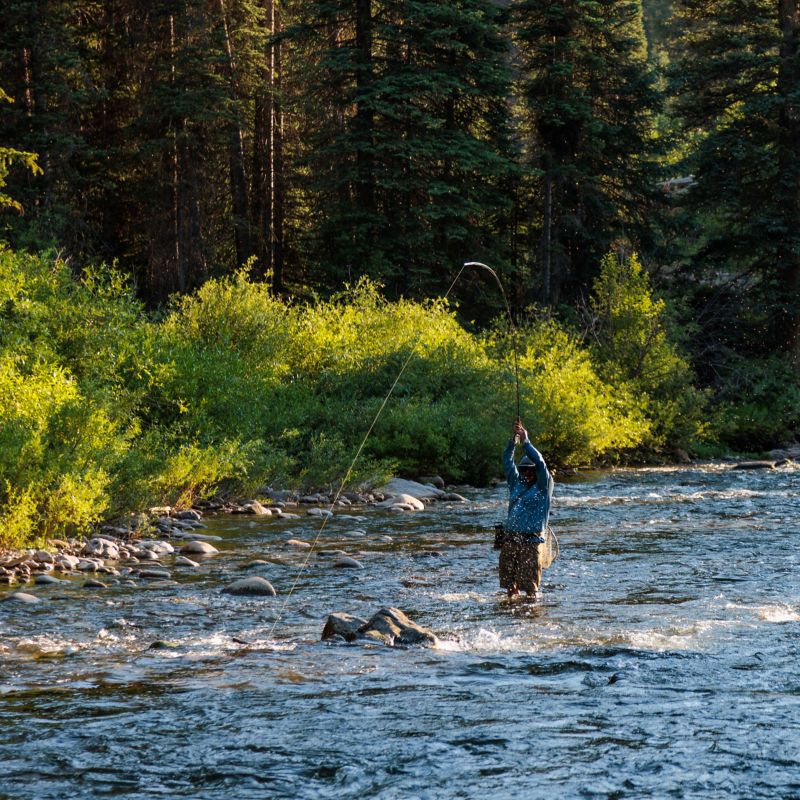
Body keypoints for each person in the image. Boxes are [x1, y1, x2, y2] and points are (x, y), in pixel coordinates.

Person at [498, 420, 554, 598]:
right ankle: (511, 617)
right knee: (510, 589)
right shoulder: (515, 482)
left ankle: (531, 619)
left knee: (531, 590)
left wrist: (526, 442)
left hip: (532, 543)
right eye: (524, 470)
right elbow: (506, 460)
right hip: (510, 541)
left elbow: (540, 462)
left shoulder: (544, 486)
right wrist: (513, 441)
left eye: (531, 470)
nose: (528, 473)